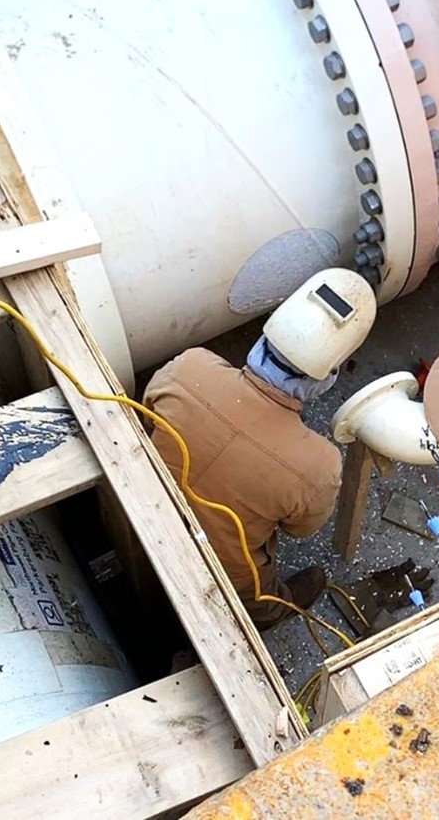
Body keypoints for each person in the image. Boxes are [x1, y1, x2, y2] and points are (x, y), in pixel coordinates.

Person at [143, 268, 377, 628]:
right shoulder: (318, 465)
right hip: (221, 574)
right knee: (258, 602)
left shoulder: (189, 366)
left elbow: (146, 417)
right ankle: (268, 614)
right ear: (328, 375)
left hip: (140, 512)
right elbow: (299, 530)